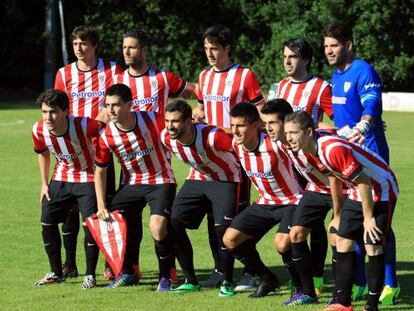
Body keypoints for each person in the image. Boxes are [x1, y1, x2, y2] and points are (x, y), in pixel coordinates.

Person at [284, 111, 398, 311]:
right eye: (287, 133)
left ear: (309, 132)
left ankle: (371, 306)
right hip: (357, 189)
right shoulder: (309, 148)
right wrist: (337, 216)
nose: (289, 138)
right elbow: (336, 179)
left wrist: (368, 217)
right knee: (342, 239)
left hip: (381, 188)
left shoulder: (331, 149)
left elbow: (364, 181)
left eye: (293, 132)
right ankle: (343, 302)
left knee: (372, 245)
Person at [324, 22, 399, 305]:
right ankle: (359, 282)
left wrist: (367, 126)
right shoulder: (335, 75)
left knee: (378, 223)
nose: (330, 51)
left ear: (349, 45)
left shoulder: (363, 70)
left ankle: (390, 285)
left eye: (335, 46)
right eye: (327, 47)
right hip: (349, 159)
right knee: (354, 223)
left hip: (372, 157)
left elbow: (371, 104)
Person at [193, 25, 265, 290]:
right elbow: (202, 106)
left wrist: (235, 132)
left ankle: (250, 271)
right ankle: (220, 270)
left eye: (214, 48)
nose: (210, 54)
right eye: (206, 49)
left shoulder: (244, 76)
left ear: (227, 48)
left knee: (238, 218)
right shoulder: (204, 77)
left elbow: (261, 112)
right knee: (215, 218)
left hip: (238, 160)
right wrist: (198, 114)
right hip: (209, 159)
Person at [54, 25, 122, 279]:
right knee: (70, 210)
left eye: (84, 43)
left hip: (101, 147)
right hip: (72, 151)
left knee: (106, 206)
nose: (79, 49)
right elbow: (60, 107)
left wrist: (92, 125)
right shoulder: (64, 73)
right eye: (75, 44)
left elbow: (113, 104)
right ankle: (69, 264)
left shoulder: (112, 70)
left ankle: (108, 262)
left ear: (94, 44)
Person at [94, 84, 176, 291]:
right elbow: (100, 171)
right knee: (112, 219)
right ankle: (128, 271)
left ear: (129, 105)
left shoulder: (153, 119)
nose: (110, 110)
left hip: (161, 180)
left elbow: (178, 130)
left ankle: (166, 276)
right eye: (108, 105)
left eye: (116, 105)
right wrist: (102, 205)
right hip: (132, 183)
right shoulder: (106, 135)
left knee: (157, 227)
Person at [260, 99, 338, 306]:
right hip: (315, 190)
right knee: (295, 234)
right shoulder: (281, 141)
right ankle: (307, 293)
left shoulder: (308, 142)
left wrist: (337, 215)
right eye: (265, 124)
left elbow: (334, 176)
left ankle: (349, 289)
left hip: (340, 189)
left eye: (272, 124)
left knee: (339, 236)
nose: (267, 129)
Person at [222, 102, 303, 298]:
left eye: (240, 126)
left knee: (282, 244)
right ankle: (267, 278)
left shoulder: (275, 144)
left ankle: (299, 285)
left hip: (291, 201)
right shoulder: (236, 145)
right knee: (230, 239)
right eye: (232, 126)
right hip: (265, 202)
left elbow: (303, 145)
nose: (235, 131)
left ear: (255, 125)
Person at [161, 100, 241, 297]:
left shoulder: (213, 137)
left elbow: (240, 145)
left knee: (223, 229)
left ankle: (227, 282)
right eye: (167, 121)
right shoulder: (166, 137)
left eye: (176, 121)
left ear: (189, 121)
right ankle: (191, 280)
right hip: (198, 178)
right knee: (172, 223)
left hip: (226, 179)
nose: (170, 126)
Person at [277, 37, 334, 295]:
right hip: (292, 166)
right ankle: (308, 276)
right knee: (305, 223)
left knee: (318, 223)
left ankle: (318, 276)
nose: (287, 61)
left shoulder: (320, 87)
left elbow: (339, 123)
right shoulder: (281, 87)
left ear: (307, 59)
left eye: (294, 56)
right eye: (285, 56)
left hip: (316, 164)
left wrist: (321, 129)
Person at [32, 89, 100, 289]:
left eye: (53, 112)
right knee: (46, 221)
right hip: (61, 177)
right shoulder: (38, 130)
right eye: (44, 112)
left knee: (90, 226)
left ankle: (90, 275)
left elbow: (107, 140)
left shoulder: (86, 125)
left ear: (65, 111)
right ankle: (56, 272)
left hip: (88, 177)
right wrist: (44, 183)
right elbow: (42, 153)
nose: (48, 117)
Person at [114, 29, 196, 115]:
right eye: (124, 47)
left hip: (159, 128)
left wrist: (197, 111)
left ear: (144, 50)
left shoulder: (163, 77)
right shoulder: (116, 81)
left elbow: (195, 91)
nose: (126, 52)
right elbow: (106, 113)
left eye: (131, 48)